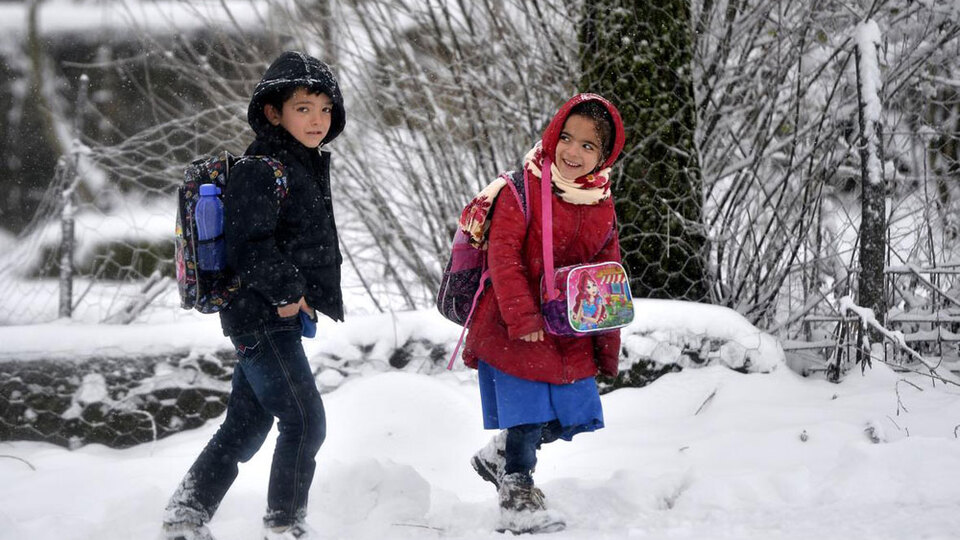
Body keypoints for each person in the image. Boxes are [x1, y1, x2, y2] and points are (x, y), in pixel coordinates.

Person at [162, 51, 346, 540]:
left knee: (246, 425)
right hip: (261, 316)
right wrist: (290, 293)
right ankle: (284, 526)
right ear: (273, 112)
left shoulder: (300, 165)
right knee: (306, 422)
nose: (317, 120)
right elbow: (250, 243)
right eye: (304, 108)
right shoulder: (263, 168)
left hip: (270, 316)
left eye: (325, 109)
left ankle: (186, 514)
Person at [461, 93, 626, 534]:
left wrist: (607, 341)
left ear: (604, 155)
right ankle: (517, 490)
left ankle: (500, 455)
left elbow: (608, 275)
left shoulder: (601, 203)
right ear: (553, 134)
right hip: (516, 324)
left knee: (571, 414)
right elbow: (504, 255)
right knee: (527, 411)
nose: (573, 152)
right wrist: (524, 317)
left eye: (588, 146)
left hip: (570, 328)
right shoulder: (523, 189)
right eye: (567, 138)